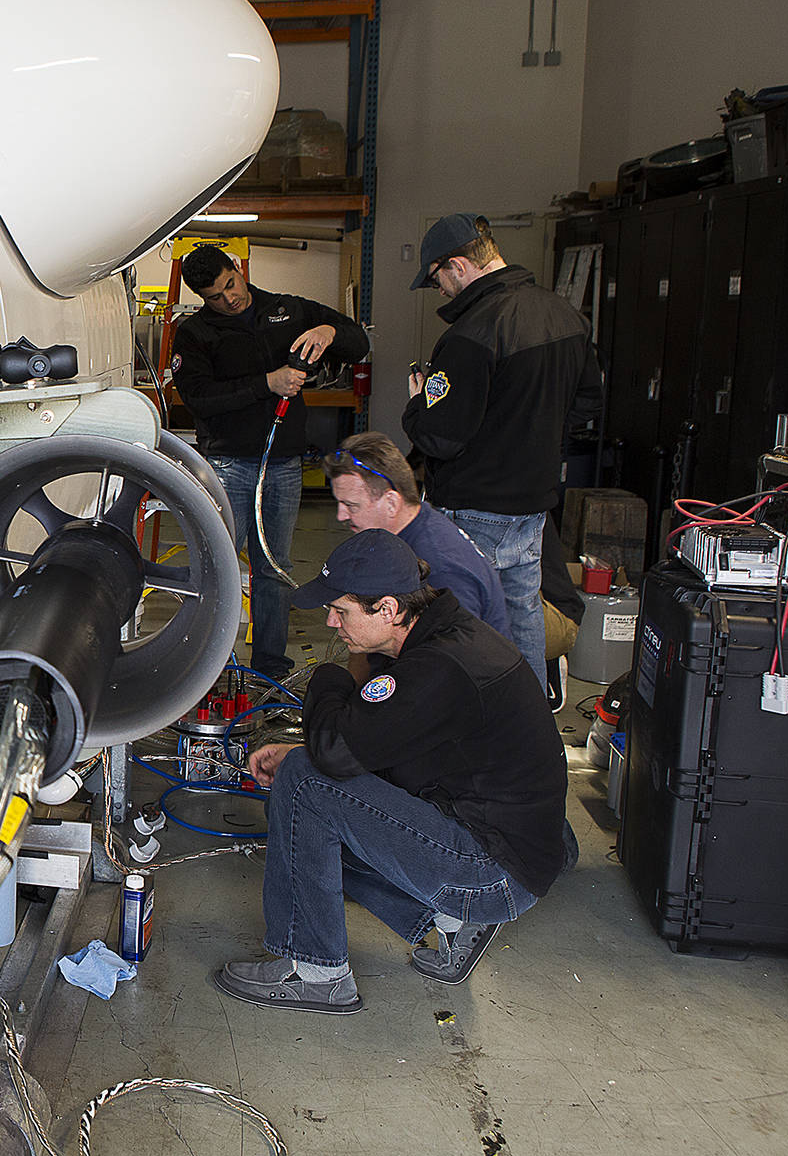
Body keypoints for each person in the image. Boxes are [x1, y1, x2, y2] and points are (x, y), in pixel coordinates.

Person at [214, 531, 568, 1014]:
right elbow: (381, 743)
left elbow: (335, 754)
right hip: (511, 849)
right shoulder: (443, 636)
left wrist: (331, 677)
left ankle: (314, 971)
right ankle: (450, 921)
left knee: (302, 779)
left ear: (387, 609)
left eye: (341, 611)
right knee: (308, 818)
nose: (331, 623)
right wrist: (312, 743)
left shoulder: (439, 667)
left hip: (492, 872)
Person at [401, 213, 604, 669]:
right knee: (522, 611)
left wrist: (417, 405)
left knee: (465, 624)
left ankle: (476, 731)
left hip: (476, 508)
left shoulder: (470, 335)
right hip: (532, 504)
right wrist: (533, 437)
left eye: (436, 279)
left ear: (457, 265)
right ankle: (528, 724)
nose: (439, 290)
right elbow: (588, 403)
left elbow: (440, 437)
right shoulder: (565, 316)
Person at [173, 244, 369, 678]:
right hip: (226, 466)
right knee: (218, 570)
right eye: (215, 296)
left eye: (231, 285)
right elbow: (199, 399)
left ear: (237, 270)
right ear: (202, 298)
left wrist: (329, 333)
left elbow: (360, 342)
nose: (230, 299)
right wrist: (268, 383)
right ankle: (209, 669)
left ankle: (269, 672)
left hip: (282, 465)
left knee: (274, 570)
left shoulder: (287, 310)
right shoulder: (194, 334)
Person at [323, 432, 507, 636]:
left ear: (391, 503)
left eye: (351, 505)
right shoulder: (404, 532)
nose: (341, 516)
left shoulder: (439, 567)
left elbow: (460, 657)